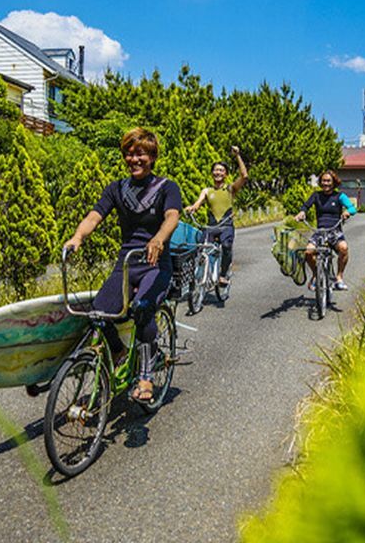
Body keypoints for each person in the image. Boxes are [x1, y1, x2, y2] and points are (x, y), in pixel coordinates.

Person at [64, 127, 182, 403]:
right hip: (126, 265)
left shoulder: (166, 187)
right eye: (129, 154)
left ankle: (146, 375)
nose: (134, 159)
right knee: (97, 315)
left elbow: (173, 215)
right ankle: (118, 352)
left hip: (155, 264)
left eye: (140, 153)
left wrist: (159, 239)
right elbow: (95, 215)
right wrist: (78, 236)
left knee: (142, 310)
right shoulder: (117, 189)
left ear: (152, 157)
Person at [184, 146, 248, 286]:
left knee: (226, 246)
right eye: (215, 170)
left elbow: (244, 176)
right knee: (200, 248)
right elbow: (198, 203)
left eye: (221, 170)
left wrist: (237, 156)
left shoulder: (230, 189)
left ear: (225, 174)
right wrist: (192, 208)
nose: (218, 172)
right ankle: (199, 275)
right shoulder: (207, 191)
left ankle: (223, 274)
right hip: (211, 227)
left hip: (226, 227)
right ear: (212, 173)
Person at [294, 169, 356, 292]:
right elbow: (305, 206)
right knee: (308, 252)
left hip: (335, 231)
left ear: (334, 182)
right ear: (320, 182)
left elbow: (352, 208)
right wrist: (302, 213)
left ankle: (339, 278)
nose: (326, 183)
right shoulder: (316, 195)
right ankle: (316, 275)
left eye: (328, 181)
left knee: (344, 248)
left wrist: (347, 212)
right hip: (320, 232)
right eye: (323, 181)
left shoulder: (339, 196)